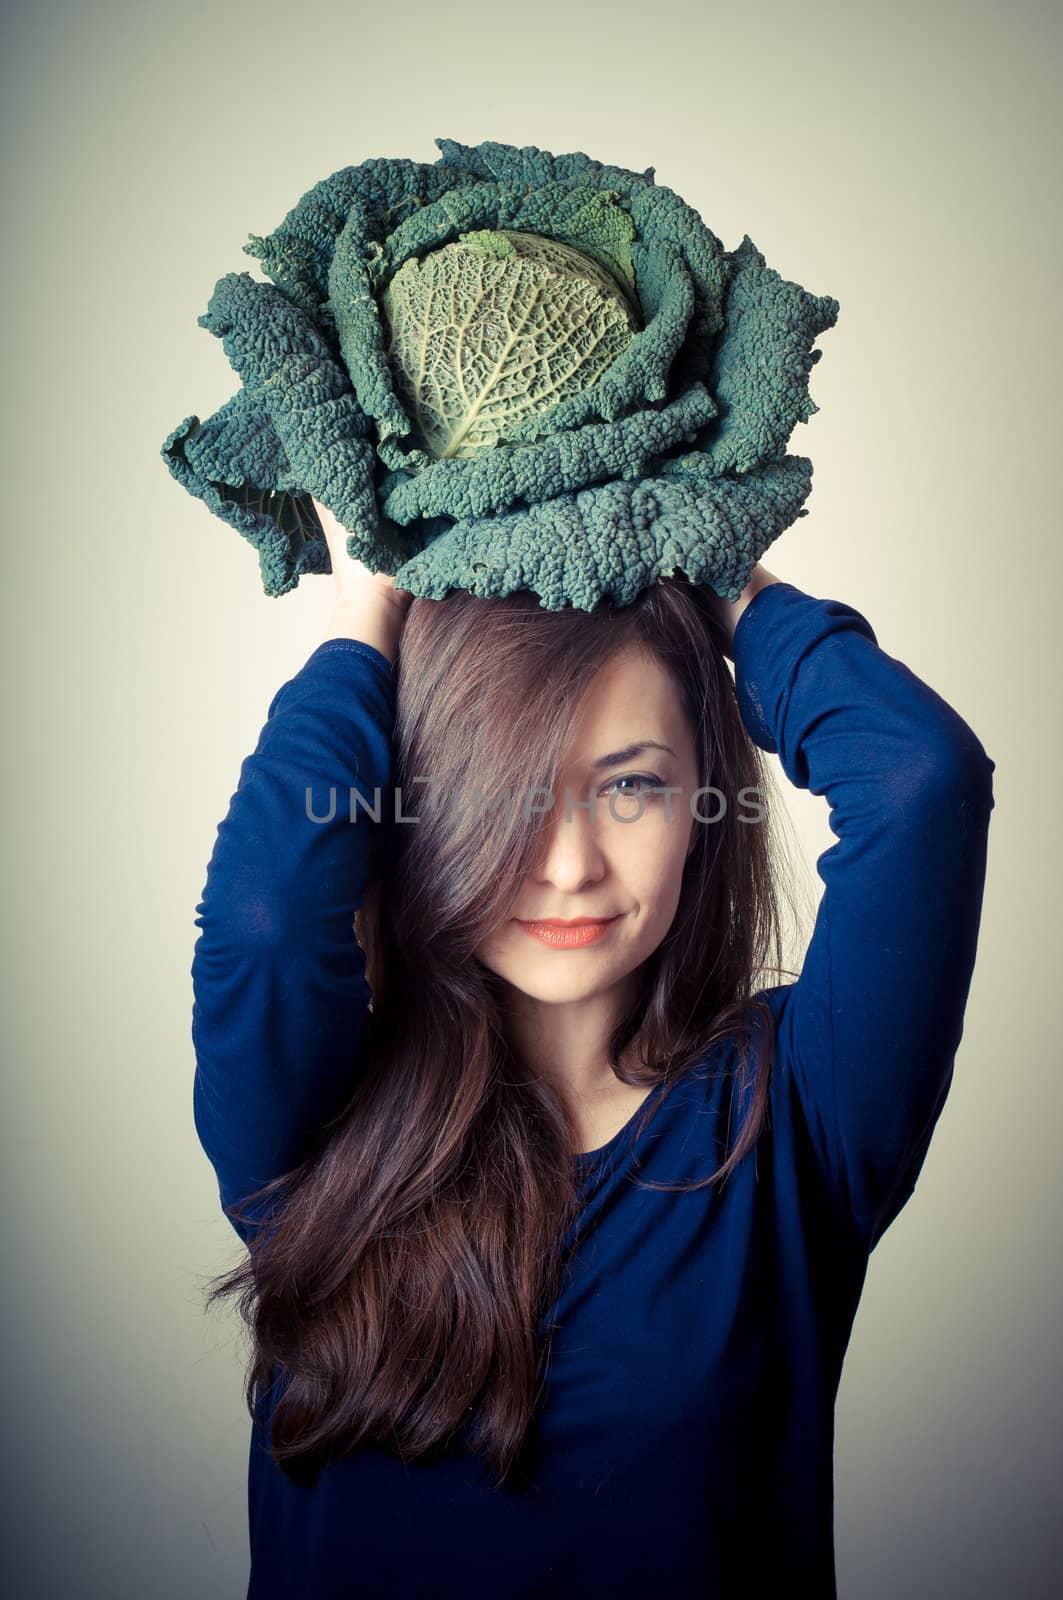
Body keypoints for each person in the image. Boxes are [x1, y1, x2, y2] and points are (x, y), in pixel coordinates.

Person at [191, 496, 995, 1598]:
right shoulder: (314, 1116)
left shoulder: (794, 1120)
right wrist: (366, 619)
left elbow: (921, 781)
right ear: (417, 803)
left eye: (630, 785)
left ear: (700, 805)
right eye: (500, 788)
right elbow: (267, 919)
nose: (569, 863)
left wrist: (709, 562)